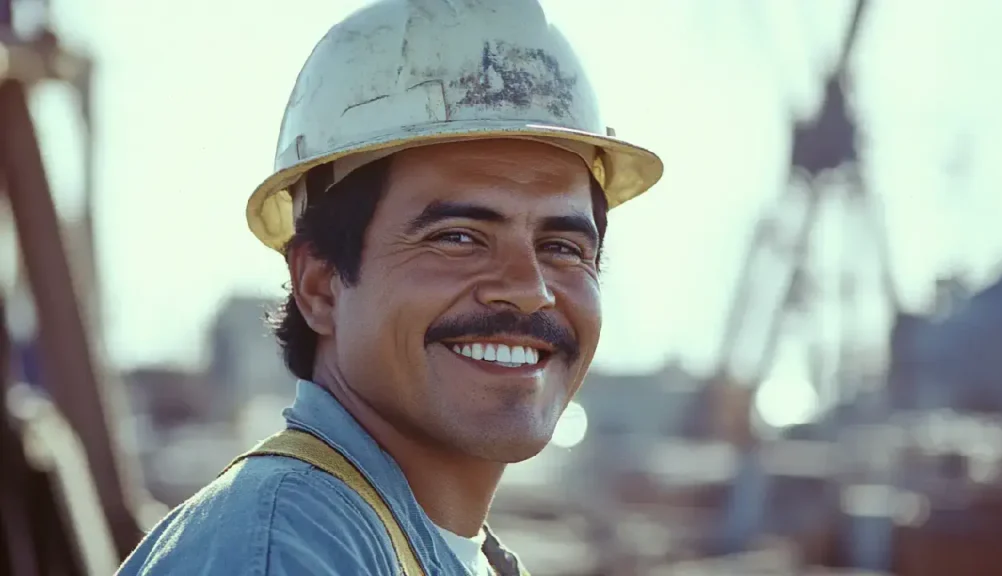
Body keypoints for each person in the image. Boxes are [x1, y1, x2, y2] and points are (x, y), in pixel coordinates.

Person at [117, 0, 662, 574]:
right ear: (320, 285)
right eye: (459, 238)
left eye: (564, 248)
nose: (529, 290)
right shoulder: (284, 549)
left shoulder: (435, 551)